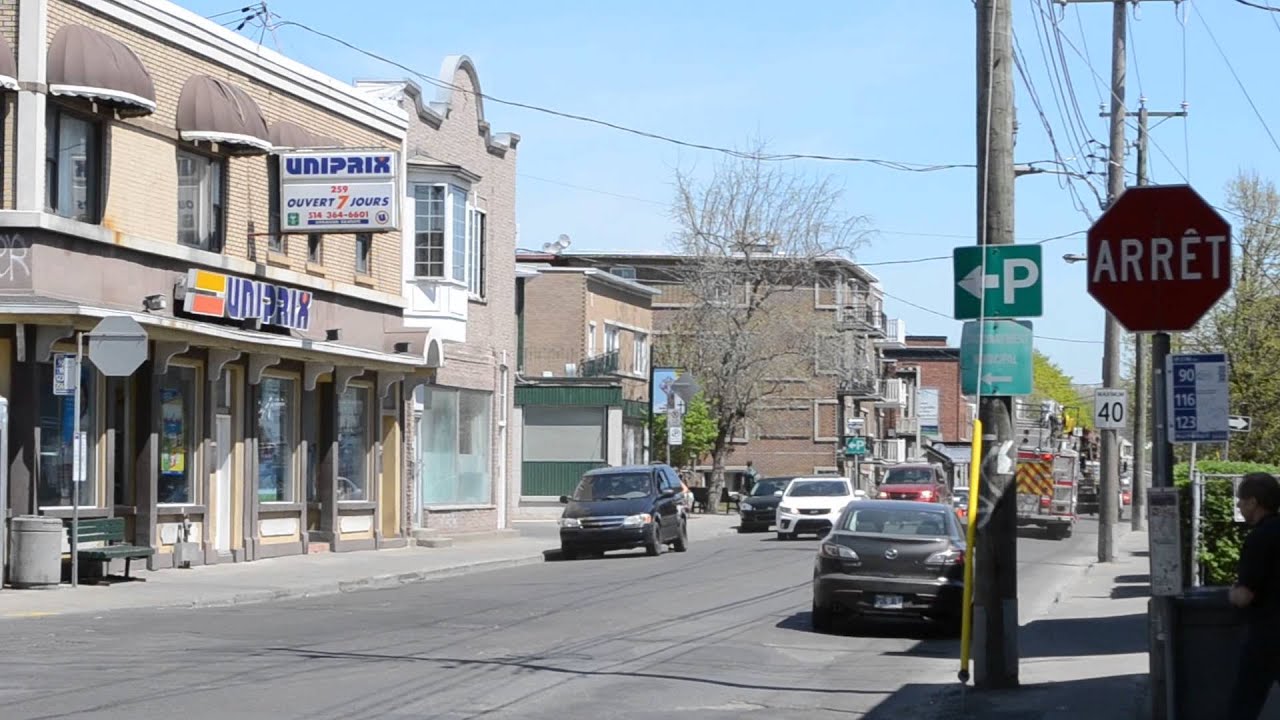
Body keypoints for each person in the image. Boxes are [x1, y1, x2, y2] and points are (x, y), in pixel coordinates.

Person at [1227, 472, 1280, 719]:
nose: (1239, 505)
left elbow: (1244, 596)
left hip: (1267, 635)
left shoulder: (1259, 539)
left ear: (1254, 502)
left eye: (1241, 500)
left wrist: (1232, 593)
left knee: (1245, 702)